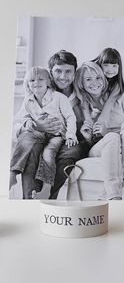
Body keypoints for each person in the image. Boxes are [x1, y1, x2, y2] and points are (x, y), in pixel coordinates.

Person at [20, 50, 89, 199]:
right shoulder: (39, 91)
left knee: (69, 152)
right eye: (58, 71)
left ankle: (49, 196)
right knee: (32, 148)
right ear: (50, 73)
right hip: (43, 136)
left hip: (70, 139)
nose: (63, 77)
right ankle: (29, 198)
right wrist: (37, 126)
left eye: (68, 71)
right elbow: (21, 119)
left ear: (74, 73)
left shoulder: (81, 96)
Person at [10, 66, 78, 199]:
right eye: (32, 80)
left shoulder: (58, 97)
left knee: (48, 153)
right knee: (26, 139)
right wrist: (27, 122)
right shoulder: (28, 100)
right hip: (38, 134)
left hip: (56, 135)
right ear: (27, 84)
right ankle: (13, 174)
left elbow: (70, 117)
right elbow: (20, 118)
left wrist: (71, 134)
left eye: (41, 79)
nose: (36, 82)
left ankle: (47, 188)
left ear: (48, 81)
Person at [74, 61, 124, 200]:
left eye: (97, 78)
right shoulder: (80, 105)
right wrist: (87, 137)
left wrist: (108, 129)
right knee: (111, 137)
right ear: (81, 83)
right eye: (88, 79)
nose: (94, 83)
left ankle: (112, 193)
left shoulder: (121, 97)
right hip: (99, 146)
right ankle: (114, 195)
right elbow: (84, 145)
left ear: (103, 78)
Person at [79, 48, 124, 141]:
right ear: (100, 64)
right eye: (106, 65)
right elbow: (84, 103)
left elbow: (110, 102)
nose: (110, 69)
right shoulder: (92, 71)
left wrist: (100, 122)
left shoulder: (116, 85)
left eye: (114, 65)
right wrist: (89, 122)